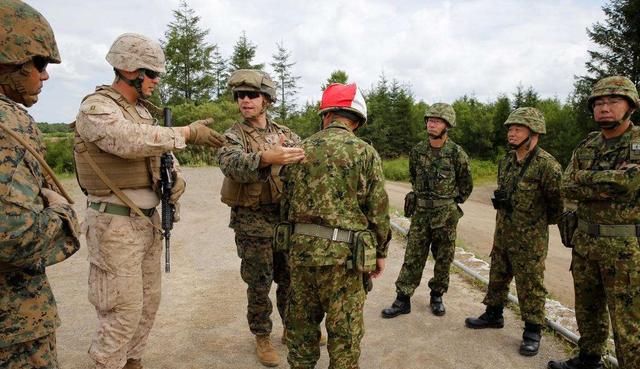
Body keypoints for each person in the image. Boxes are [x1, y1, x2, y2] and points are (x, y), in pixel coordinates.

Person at [74, 33, 223, 369]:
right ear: (130, 70)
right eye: (152, 74)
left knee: (147, 303)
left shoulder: (141, 112)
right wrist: (185, 133)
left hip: (145, 222)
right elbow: (127, 141)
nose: (156, 81)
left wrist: (176, 181)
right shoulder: (97, 108)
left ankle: (132, 361)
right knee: (121, 311)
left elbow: (159, 154)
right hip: (114, 224)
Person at [281, 83, 391, 369]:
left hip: (302, 254)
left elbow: (286, 206)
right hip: (345, 260)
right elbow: (378, 210)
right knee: (344, 336)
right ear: (355, 121)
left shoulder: (298, 150)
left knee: (302, 331)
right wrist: (380, 252)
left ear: (327, 115)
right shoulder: (365, 153)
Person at [0, 0, 81, 367]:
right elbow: (15, 238)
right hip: (13, 327)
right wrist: (62, 212)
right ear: (10, 59)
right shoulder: (11, 125)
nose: (44, 76)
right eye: (40, 64)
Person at [548, 76, 640, 369]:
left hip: (625, 248)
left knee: (629, 320)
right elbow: (566, 186)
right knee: (588, 308)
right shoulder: (588, 143)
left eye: (613, 101)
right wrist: (606, 180)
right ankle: (589, 358)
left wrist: (585, 180)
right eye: (598, 102)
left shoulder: (637, 142)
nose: (604, 108)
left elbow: (628, 183)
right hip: (585, 241)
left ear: (631, 107)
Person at [216, 69, 305, 367]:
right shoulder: (234, 135)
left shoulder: (285, 133)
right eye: (240, 95)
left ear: (266, 99)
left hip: (284, 220)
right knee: (259, 283)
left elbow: (304, 159)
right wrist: (267, 158)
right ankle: (262, 336)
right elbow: (231, 165)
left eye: (251, 95)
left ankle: (291, 329)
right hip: (252, 222)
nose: (245, 100)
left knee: (289, 279)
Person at [465, 107, 562, 357]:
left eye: (518, 128)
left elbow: (557, 207)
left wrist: (532, 224)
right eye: (510, 128)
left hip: (530, 239)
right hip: (503, 232)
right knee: (497, 273)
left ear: (534, 133)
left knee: (530, 284)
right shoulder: (506, 161)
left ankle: (532, 330)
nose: (511, 132)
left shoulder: (547, 166)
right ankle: (494, 314)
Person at [382, 103, 472, 318]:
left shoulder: (456, 153)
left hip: (445, 215)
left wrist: (448, 203)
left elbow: (466, 184)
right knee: (413, 256)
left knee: (443, 257)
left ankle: (437, 295)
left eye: (437, 121)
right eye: (430, 120)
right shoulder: (418, 151)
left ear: (447, 125)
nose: (432, 124)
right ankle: (403, 299)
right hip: (421, 214)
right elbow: (413, 176)